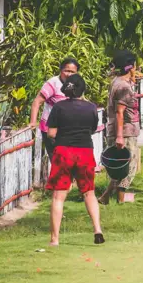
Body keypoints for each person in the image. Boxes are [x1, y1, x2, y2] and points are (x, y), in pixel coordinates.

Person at [45, 73, 104, 246]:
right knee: (89, 192)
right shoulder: (91, 108)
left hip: (63, 151)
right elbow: (92, 129)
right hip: (85, 151)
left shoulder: (59, 107)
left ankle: (55, 239)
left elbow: (51, 133)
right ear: (82, 89)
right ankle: (97, 229)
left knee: (58, 196)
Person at [100, 51, 141, 205]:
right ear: (131, 67)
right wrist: (119, 136)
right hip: (124, 132)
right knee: (128, 167)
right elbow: (120, 112)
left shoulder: (116, 82)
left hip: (119, 130)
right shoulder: (123, 87)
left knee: (119, 166)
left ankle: (110, 198)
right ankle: (116, 199)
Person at [29, 58, 80, 159]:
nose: (69, 74)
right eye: (66, 70)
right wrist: (33, 122)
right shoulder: (53, 83)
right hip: (51, 130)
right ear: (61, 70)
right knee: (59, 162)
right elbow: (37, 102)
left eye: (72, 72)